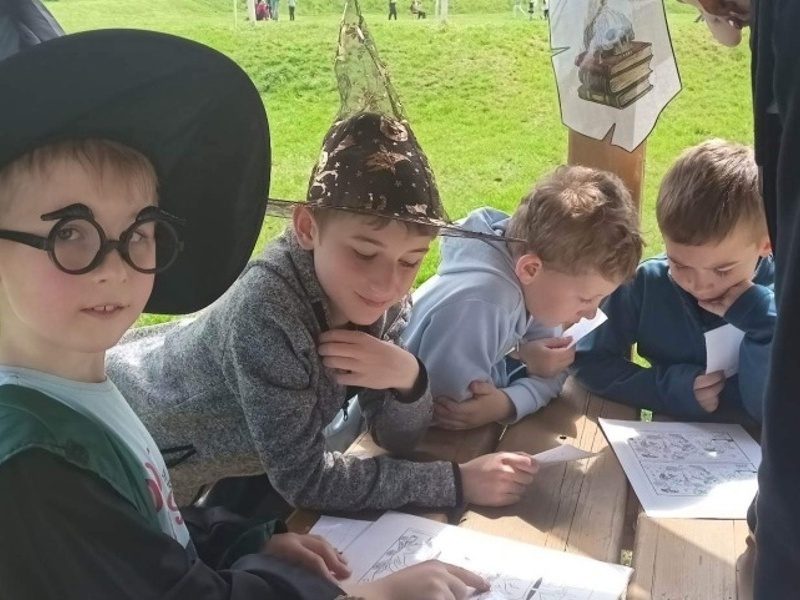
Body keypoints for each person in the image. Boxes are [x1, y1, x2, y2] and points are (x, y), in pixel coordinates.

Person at [107, 112, 539, 516]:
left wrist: (408, 378)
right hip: (129, 442)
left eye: (411, 261)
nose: (388, 284)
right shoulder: (267, 314)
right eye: (364, 253)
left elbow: (395, 437)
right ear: (307, 228)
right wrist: (456, 482)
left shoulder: (379, 299)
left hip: (239, 461)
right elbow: (306, 479)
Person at [403, 166, 643, 430]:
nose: (590, 313)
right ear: (530, 269)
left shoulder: (538, 285)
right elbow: (454, 410)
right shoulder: (485, 303)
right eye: (586, 299)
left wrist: (511, 392)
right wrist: (519, 373)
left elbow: (554, 369)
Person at [573, 140, 773, 424]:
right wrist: (671, 388)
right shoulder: (647, 284)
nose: (699, 284)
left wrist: (763, 319)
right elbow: (588, 359)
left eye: (722, 270)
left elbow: (772, 407)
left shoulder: (785, 293)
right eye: (680, 264)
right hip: (674, 435)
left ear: (766, 245)